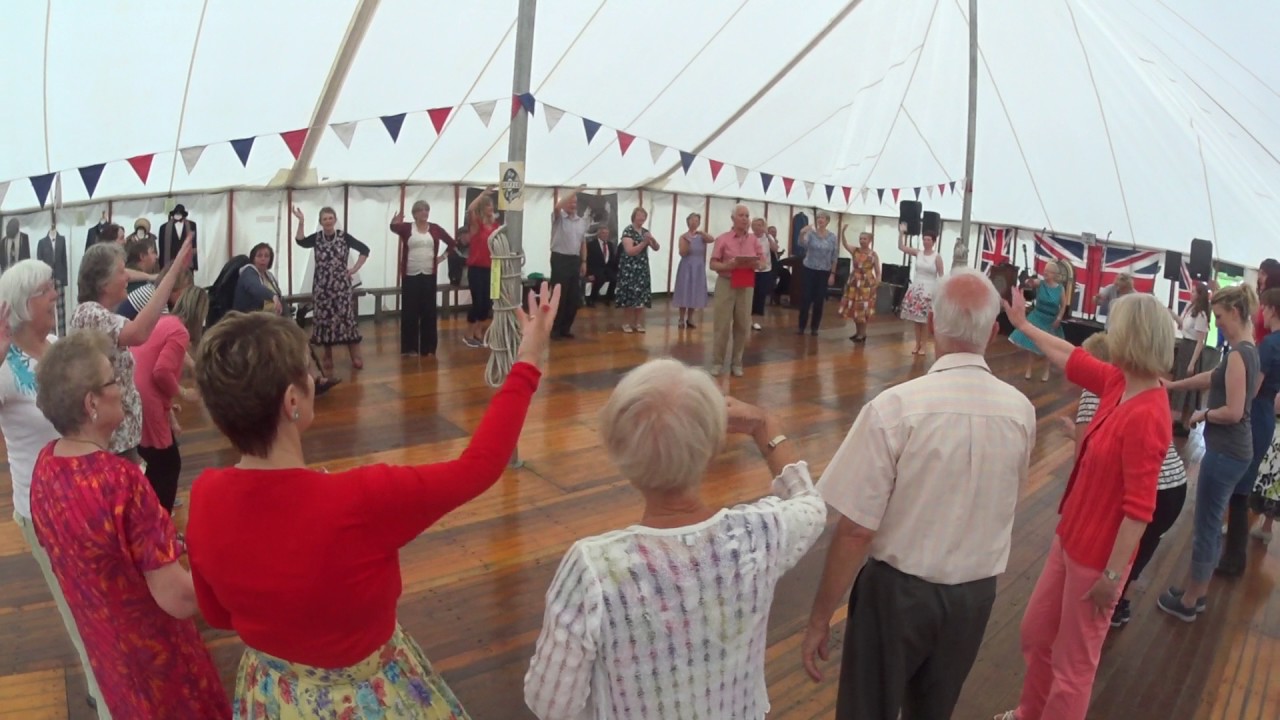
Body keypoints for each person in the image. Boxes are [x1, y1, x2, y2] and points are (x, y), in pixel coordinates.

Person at [186, 283, 559, 717]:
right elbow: (479, 467)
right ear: (292, 401)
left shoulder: (205, 494)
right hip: (362, 697)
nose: (312, 378)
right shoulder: (360, 500)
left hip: (272, 692)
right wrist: (528, 360)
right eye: (307, 372)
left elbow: (215, 614)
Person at [524, 361, 825, 719]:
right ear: (712, 447)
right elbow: (810, 505)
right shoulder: (759, 534)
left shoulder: (593, 569)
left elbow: (551, 703)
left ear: (619, 453)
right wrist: (765, 426)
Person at [803, 269, 1035, 720]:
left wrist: (817, 621)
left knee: (865, 710)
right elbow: (1011, 495)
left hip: (896, 594)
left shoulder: (895, 408)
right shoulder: (1020, 412)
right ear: (992, 331)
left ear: (931, 323)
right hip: (974, 595)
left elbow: (855, 531)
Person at [31, 329, 229, 718]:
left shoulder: (46, 464)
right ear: (91, 403)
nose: (122, 388)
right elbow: (178, 598)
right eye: (112, 381)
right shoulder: (120, 481)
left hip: (107, 649)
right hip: (155, 656)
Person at [996, 291, 1174, 720]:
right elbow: (1069, 354)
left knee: (1074, 665)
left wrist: (1112, 577)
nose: (1108, 334)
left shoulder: (1149, 412)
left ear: (1132, 336)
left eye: (1116, 326)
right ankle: (1029, 711)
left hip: (1099, 558)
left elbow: (1139, 510)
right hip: (1070, 537)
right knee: (1037, 633)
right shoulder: (1119, 383)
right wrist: (1022, 325)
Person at [0, 260, 107, 713]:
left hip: (88, 495)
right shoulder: (5, 368)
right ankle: (102, 696)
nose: (55, 294)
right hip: (42, 508)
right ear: (25, 305)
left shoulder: (59, 349)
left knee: (102, 602)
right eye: (46, 289)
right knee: (78, 608)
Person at [1067, 332, 1187, 628]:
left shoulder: (1096, 391)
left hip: (1153, 492)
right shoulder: (1140, 387)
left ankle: (1108, 603)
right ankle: (1121, 604)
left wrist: (1075, 434)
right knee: (1142, 549)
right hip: (1175, 486)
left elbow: (1082, 455)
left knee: (1119, 551)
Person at [1156, 283, 1259, 619]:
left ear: (1236, 312)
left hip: (1226, 452)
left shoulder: (1238, 356)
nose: (1217, 324)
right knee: (1211, 523)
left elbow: (1234, 410)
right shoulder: (1246, 350)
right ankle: (1195, 590)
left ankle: (1190, 601)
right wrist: (1173, 386)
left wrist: (1202, 414)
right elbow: (1210, 378)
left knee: (1207, 524)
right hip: (1235, 452)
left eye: (1219, 317)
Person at [71, 238, 194, 460]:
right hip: (113, 442)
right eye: (121, 272)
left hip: (121, 437)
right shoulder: (90, 314)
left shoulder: (100, 315)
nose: (127, 276)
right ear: (103, 283)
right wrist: (173, 272)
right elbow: (139, 333)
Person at [1219, 286, 1280, 575]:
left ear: (1271, 309)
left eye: (1264, 308)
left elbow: (1252, 390)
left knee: (1240, 489)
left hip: (1255, 413)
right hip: (1268, 414)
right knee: (1245, 485)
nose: (1261, 314)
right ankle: (1234, 555)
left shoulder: (1268, 346)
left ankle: (1233, 560)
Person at [130, 283, 206, 513]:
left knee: (155, 460)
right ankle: (160, 520)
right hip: (148, 398)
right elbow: (161, 371)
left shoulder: (164, 322)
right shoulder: (179, 331)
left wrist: (169, 407)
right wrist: (183, 393)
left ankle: (149, 514)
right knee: (168, 463)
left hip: (137, 393)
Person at [292, 205, 369, 371]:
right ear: (320, 222)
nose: (328, 221)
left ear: (335, 220)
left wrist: (354, 269)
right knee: (325, 319)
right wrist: (301, 221)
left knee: (346, 318)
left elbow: (364, 249)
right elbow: (300, 241)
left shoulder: (344, 237)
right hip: (322, 286)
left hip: (341, 286)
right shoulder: (317, 237)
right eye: (324, 219)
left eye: (330, 218)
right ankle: (328, 355)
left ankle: (355, 355)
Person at [390, 201, 455, 356]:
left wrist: (442, 257)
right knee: (409, 311)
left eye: (427, 209)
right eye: (421, 210)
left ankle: (428, 348)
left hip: (428, 275)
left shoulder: (435, 228)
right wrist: (395, 220)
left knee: (429, 311)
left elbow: (452, 243)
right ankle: (409, 348)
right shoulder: (407, 228)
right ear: (415, 213)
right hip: (410, 275)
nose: (424, 212)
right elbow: (393, 228)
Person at [708, 205, 766, 376]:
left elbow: (763, 262)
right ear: (733, 218)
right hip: (726, 282)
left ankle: (737, 363)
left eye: (747, 215)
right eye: (741, 215)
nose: (745, 218)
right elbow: (712, 264)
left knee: (742, 324)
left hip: (746, 284)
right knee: (722, 324)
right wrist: (728, 265)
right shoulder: (723, 239)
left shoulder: (754, 240)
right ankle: (717, 362)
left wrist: (758, 264)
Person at [1009, 259, 1071, 382]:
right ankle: (1029, 368)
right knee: (1031, 343)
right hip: (1037, 316)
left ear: (1055, 274)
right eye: (1045, 271)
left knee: (1048, 346)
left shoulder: (1060, 289)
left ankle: (1046, 370)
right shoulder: (1041, 283)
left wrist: (1059, 318)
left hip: (1051, 320)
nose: (1045, 273)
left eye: (1048, 271)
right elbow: (1030, 283)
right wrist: (1028, 281)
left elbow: (1063, 305)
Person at [1170, 282, 1212, 434]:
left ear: (1200, 295)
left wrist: (1192, 363)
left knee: (1188, 386)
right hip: (1184, 346)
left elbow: (1200, 341)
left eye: (1194, 292)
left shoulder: (1201, 314)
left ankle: (1184, 422)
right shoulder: (1190, 308)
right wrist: (1173, 315)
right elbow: (1183, 326)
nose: (1191, 293)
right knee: (1179, 380)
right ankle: (1177, 419)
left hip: (1192, 349)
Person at [549, 188, 590, 339]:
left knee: (573, 298)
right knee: (560, 296)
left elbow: (583, 243)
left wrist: (584, 261)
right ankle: (555, 329)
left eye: (575, 202)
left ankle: (565, 328)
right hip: (560, 259)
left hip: (574, 260)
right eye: (570, 202)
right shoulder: (558, 218)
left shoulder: (581, 222)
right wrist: (575, 190)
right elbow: (556, 208)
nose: (573, 205)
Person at [897, 222, 944, 355]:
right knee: (916, 320)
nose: (926, 241)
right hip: (917, 287)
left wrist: (939, 293)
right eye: (924, 239)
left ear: (933, 242)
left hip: (929, 289)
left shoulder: (937, 257)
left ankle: (924, 345)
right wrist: (901, 232)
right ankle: (917, 344)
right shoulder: (918, 253)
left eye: (928, 239)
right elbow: (901, 247)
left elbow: (941, 276)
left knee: (924, 321)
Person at [463, 187, 500, 348]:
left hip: (490, 268)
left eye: (491, 205)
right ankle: (468, 333)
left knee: (486, 303)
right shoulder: (476, 224)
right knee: (477, 302)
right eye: (487, 205)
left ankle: (479, 332)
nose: (490, 208)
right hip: (476, 268)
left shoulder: (495, 226)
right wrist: (482, 194)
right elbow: (470, 209)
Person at [615, 207, 660, 333]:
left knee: (641, 297)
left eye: (643, 216)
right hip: (629, 268)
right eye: (639, 215)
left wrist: (652, 239)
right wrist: (644, 243)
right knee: (629, 296)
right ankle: (626, 323)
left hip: (642, 268)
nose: (641, 218)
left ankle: (638, 323)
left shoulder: (645, 232)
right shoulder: (628, 231)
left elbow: (656, 248)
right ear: (634, 216)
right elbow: (630, 251)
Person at [796, 212, 839, 335]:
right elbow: (801, 244)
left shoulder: (832, 237)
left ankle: (815, 327)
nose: (820, 220)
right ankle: (801, 326)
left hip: (824, 271)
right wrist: (801, 232)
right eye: (818, 218)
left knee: (819, 300)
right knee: (806, 298)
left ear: (827, 221)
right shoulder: (811, 234)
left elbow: (834, 256)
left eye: (823, 218)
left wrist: (833, 273)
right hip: (809, 269)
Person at [838, 230, 879, 343]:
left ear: (870, 240)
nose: (862, 241)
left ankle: (863, 333)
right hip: (854, 282)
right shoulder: (855, 251)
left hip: (866, 285)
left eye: (864, 239)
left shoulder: (873, 254)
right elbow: (845, 244)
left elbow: (878, 272)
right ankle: (858, 332)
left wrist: (876, 284)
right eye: (861, 238)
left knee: (863, 309)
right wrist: (843, 232)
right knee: (855, 309)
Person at [671, 213, 711, 328]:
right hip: (686, 265)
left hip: (698, 266)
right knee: (684, 290)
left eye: (696, 220)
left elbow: (711, 239)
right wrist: (688, 242)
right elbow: (682, 253)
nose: (694, 222)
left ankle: (690, 318)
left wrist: (702, 233)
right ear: (688, 222)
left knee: (695, 291)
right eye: (692, 220)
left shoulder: (702, 236)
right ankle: (681, 318)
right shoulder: (683, 236)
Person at [751, 217, 779, 330]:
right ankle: (746, 319)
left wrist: (768, 235)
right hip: (751, 270)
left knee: (760, 296)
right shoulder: (750, 237)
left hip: (765, 271)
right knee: (749, 295)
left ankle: (757, 321)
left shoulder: (768, 237)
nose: (758, 227)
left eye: (760, 225)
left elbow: (775, 249)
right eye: (756, 225)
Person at [156, 204, 198, 270]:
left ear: (183, 214)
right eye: (176, 213)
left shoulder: (192, 225)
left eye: (180, 213)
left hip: (187, 262)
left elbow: (194, 245)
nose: (178, 215)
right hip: (170, 262)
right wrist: (162, 266)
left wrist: (194, 264)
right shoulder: (163, 227)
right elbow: (161, 248)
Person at [585, 224, 617, 308]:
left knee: (615, 279)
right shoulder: (592, 245)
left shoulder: (610, 244)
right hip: (596, 268)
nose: (605, 235)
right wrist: (589, 273)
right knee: (600, 279)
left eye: (607, 233)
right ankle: (591, 299)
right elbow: (588, 259)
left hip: (607, 268)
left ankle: (608, 298)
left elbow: (612, 258)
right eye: (603, 233)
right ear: (599, 234)